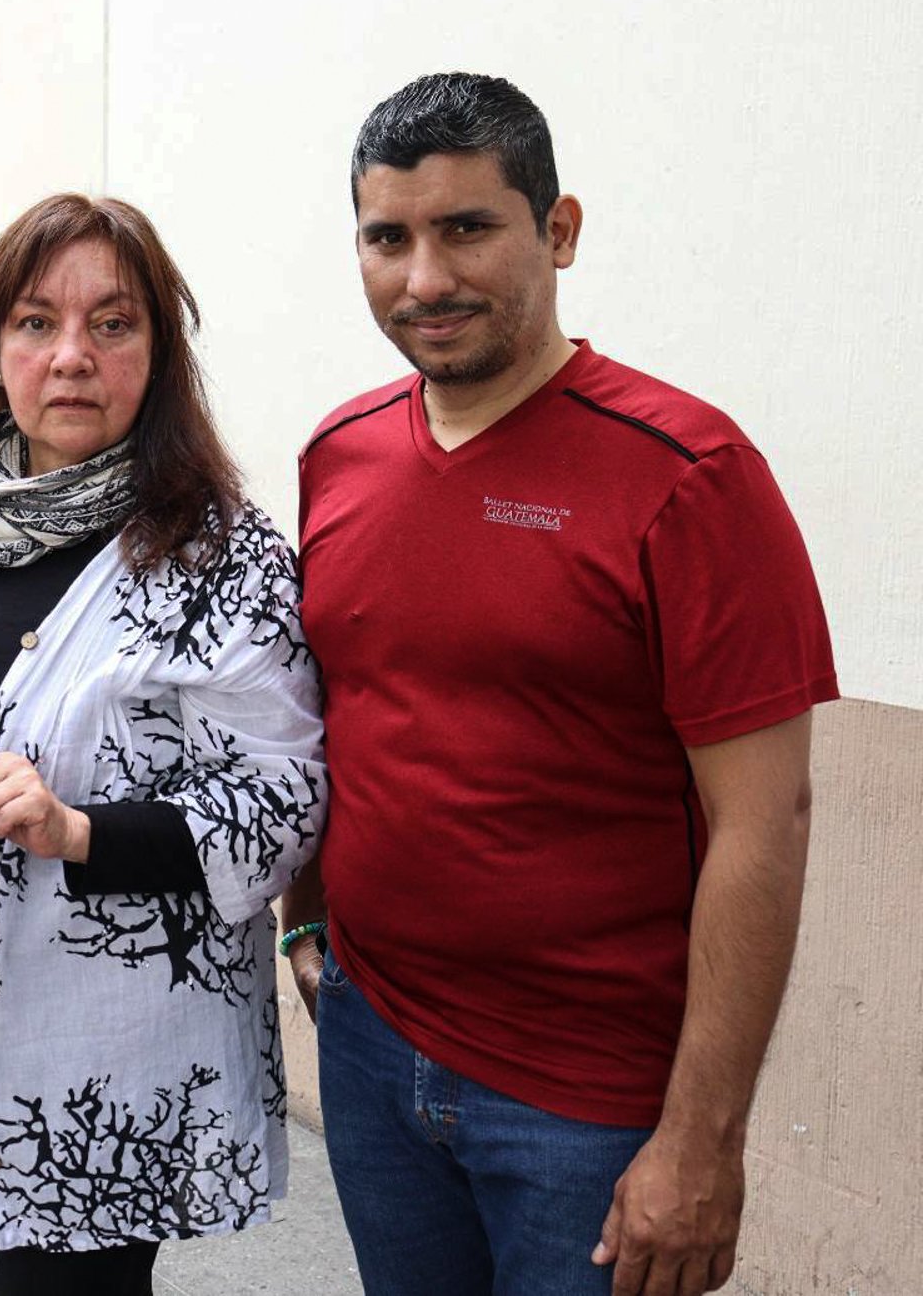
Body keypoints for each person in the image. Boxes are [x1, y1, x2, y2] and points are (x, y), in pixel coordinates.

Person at [284, 72, 837, 1296]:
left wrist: (700, 1139)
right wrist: (304, 917)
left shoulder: (688, 475)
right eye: (386, 238)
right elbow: (339, 712)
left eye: (465, 227)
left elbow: (764, 823)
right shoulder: (338, 453)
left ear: (559, 229)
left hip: (587, 1103)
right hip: (371, 1050)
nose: (423, 277)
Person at [0, 194, 327, 1293]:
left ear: (159, 353)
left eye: (112, 323)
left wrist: (78, 829)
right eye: (36, 322)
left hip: (108, 1042)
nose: (71, 357)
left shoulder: (225, 557)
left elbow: (284, 803)